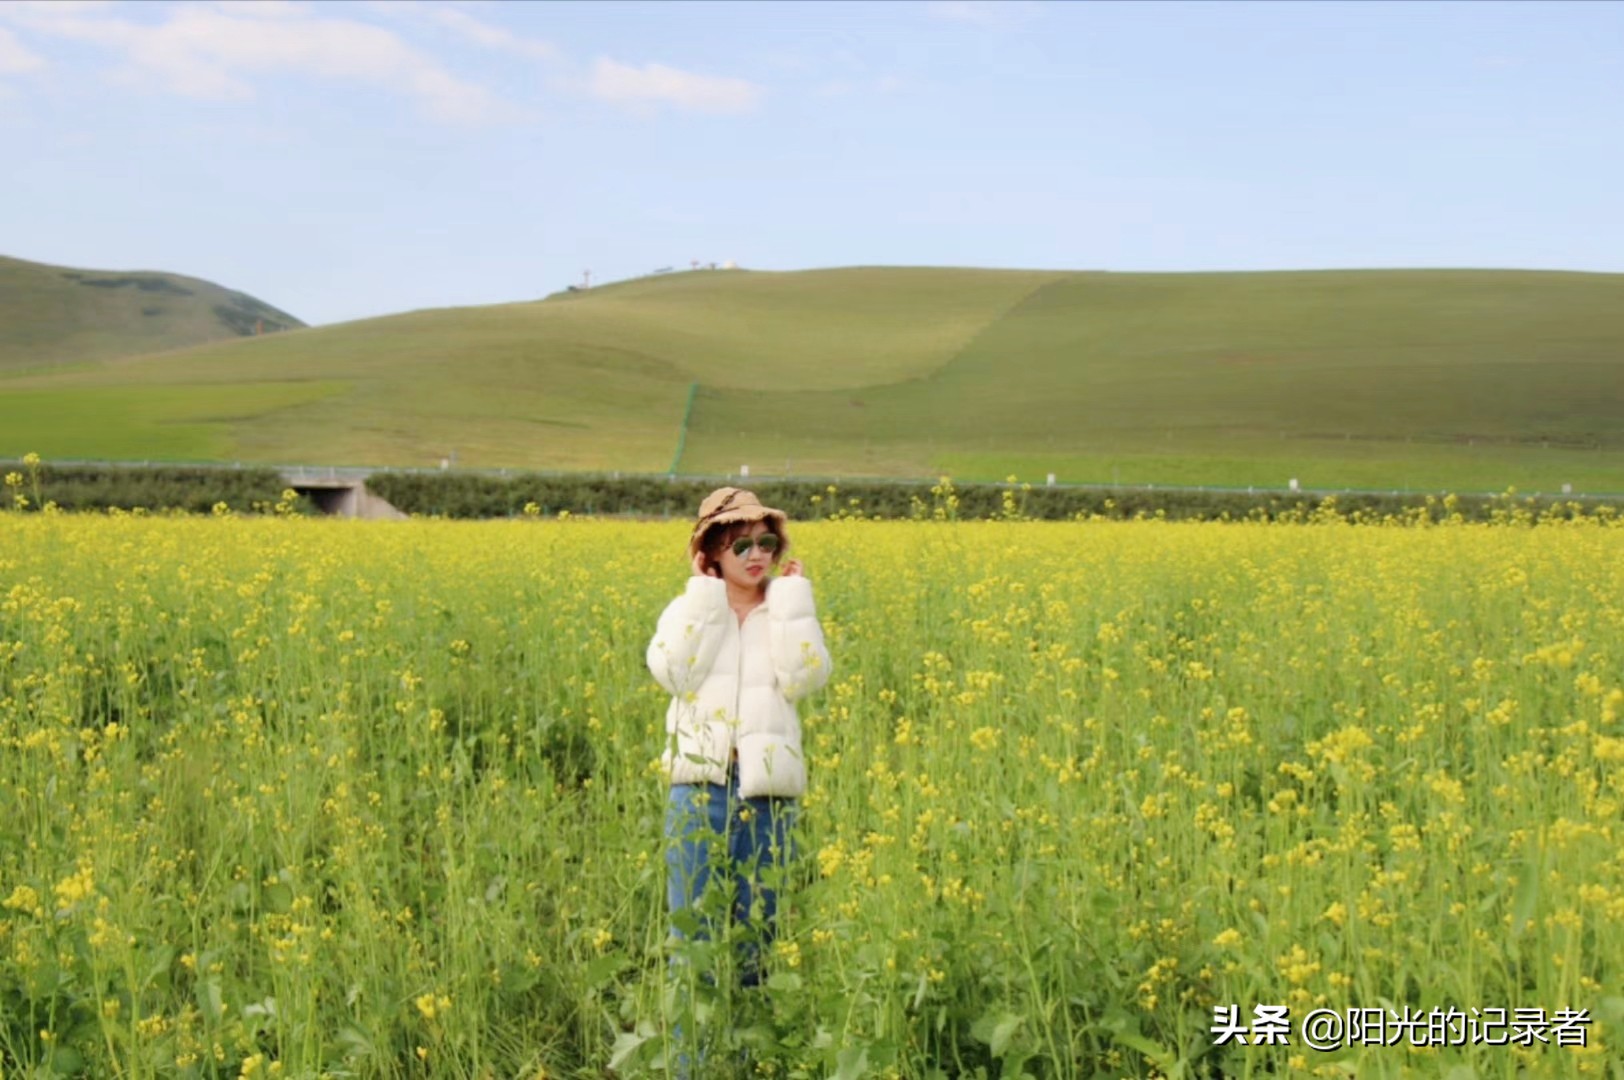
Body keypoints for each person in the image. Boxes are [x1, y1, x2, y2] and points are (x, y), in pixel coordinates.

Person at [646, 487, 832, 1044]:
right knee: (693, 948)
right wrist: (705, 599)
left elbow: (806, 679)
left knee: (759, 946)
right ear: (711, 555)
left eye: (767, 543)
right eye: (741, 545)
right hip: (699, 789)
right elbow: (674, 676)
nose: (757, 555)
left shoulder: (786, 610)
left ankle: (752, 1059)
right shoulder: (688, 611)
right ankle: (692, 1066)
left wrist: (794, 601)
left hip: (767, 790)